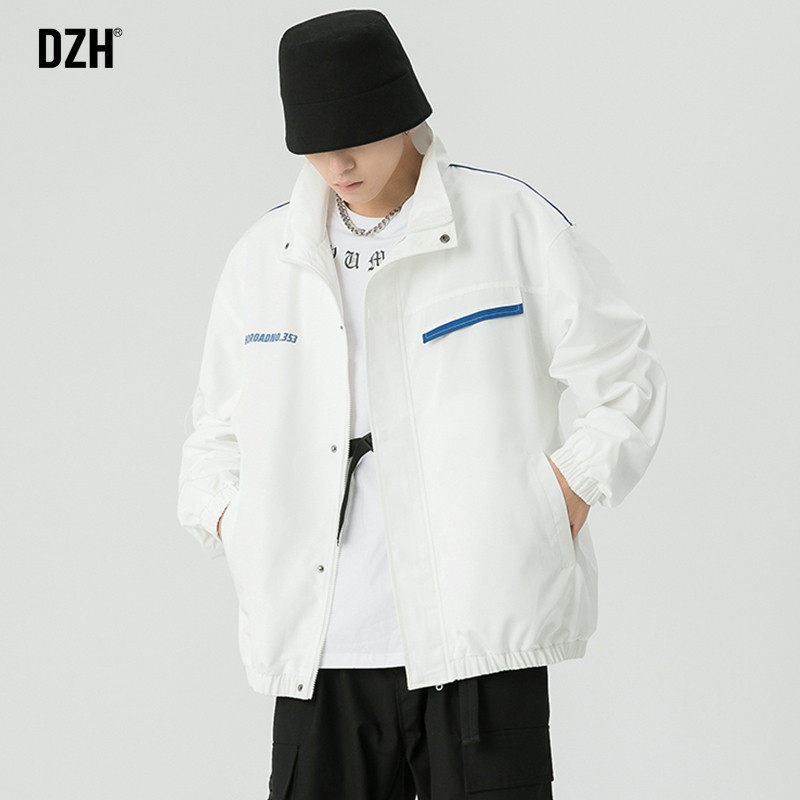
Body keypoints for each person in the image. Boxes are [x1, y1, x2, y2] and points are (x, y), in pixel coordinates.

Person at [176, 9, 668, 799]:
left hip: (477, 637)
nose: (337, 165)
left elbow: (626, 377)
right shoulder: (263, 260)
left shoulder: (510, 224)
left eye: (356, 140)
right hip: (318, 650)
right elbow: (213, 437)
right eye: (315, 147)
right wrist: (238, 526)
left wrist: (562, 496)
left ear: (405, 113)